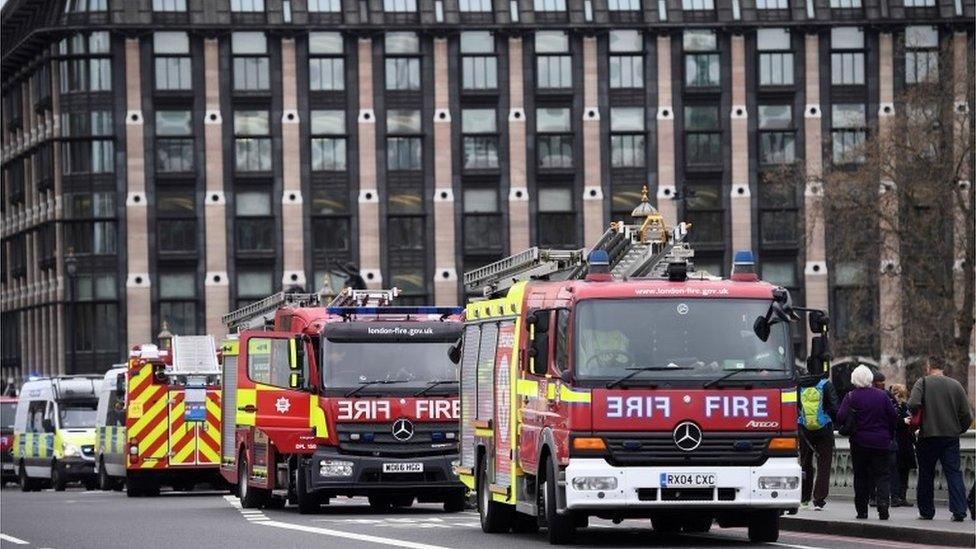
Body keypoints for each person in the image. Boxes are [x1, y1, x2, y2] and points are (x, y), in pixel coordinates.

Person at [907, 356, 973, 522]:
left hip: (928, 435)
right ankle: (959, 511)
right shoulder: (955, 385)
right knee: (954, 473)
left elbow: (912, 404)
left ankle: (927, 511)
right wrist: (959, 429)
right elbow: (966, 415)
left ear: (929, 366)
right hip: (950, 437)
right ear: (944, 367)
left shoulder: (922, 383)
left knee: (926, 474)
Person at [837, 365, 899, 520]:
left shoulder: (850, 396)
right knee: (883, 475)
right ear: (870, 379)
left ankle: (862, 510)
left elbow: (840, 417)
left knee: (861, 476)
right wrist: (888, 433)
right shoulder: (882, 395)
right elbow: (893, 416)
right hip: (881, 441)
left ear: (854, 379)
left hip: (859, 442)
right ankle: (883, 505)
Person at [797, 360, 839, 511]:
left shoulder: (798, 384)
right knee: (824, 465)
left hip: (804, 429)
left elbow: (794, 406)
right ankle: (819, 500)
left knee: (805, 463)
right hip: (824, 429)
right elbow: (835, 408)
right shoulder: (826, 384)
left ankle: (804, 499)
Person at [888, 383, 916, 507]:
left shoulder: (905, 406)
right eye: (898, 395)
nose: (900, 398)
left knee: (905, 470)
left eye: (902, 395)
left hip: (906, 442)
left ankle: (902, 496)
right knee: (896, 470)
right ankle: (895, 496)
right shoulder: (891, 405)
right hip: (896, 440)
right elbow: (890, 421)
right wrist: (902, 421)